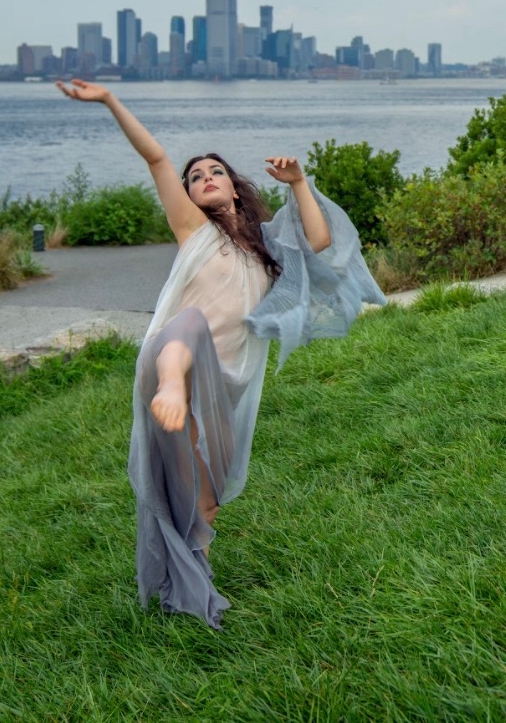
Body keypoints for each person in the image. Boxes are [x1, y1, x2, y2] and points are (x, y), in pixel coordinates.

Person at [56, 78, 384, 630]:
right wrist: (111, 100)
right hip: (174, 368)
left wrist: (299, 181)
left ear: (234, 188)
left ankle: (191, 593)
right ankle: (170, 383)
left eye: (216, 172)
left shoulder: (268, 248)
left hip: (225, 385)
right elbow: (155, 155)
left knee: (203, 503)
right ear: (188, 197)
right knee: (187, 326)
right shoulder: (194, 233)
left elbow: (321, 242)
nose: (206, 179)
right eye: (195, 178)